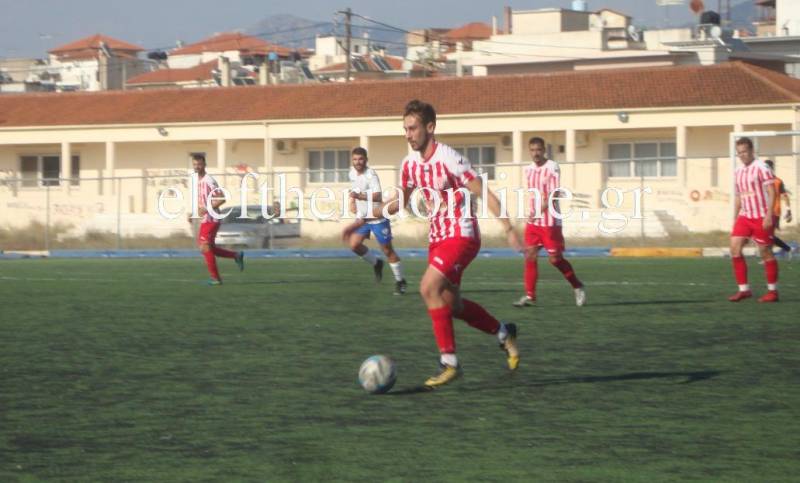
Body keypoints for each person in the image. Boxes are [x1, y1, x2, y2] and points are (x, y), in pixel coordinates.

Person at [345, 99, 521, 388]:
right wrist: (364, 218)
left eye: (413, 128)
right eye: (405, 129)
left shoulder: (450, 158)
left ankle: (449, 362)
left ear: (430, 127)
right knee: (452, 304)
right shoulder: (409, 164)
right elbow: (398, 203)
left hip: (462, 234)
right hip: (438, 239)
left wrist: (509, 228)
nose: (408, 134)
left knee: (428, 287)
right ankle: (504, 333)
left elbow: (483, 191)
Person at [513, 137, 586, 308]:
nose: (535, 153)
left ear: (544, 150)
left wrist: (539, 211)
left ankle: (577, 286)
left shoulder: (552, 167)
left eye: (538, 150)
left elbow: (554, 194)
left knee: (555, 259)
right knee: (530, 256)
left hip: (550, 222)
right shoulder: (528, 170)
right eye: (532, 150)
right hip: (534, 223)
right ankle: (530, 296)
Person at [342, 147, 408, 295]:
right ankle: (377, 263)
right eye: (355, 159)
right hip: (362, 218)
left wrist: (359, 197)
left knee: (387, 250)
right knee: (354, 245)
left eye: (360, 159)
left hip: (377, 217)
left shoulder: (371, 175)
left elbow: (378, 196)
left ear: (366, 159)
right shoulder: (352, 173)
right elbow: (354, 190)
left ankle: (400, 281)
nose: (358, 162)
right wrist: (352, 201)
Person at [728, 137, 779, 302]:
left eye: (744, 151)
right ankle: (744, 290)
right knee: (734, 248)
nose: (742, 155)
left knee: (765, 252)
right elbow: (739, 196)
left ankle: (772, 292)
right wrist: (735, 218)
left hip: (761, 216)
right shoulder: (738, 171)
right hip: (745, 216)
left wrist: (769, 215)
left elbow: (772, 192)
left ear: (751, 151)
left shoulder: (762, 167)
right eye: (739, 152)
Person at [191, 154, 244, 285]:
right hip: (207, 218)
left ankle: (215, 279)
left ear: (204, 165)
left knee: (204, 247)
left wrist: (206, 209)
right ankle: (236, 255)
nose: (197, 167)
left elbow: (221, 198)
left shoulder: (209, 180)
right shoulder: (198, 180)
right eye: (195, 164)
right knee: (208, 248)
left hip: (212, 218)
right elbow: (204, 202)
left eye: (199, 164)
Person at [764, 160, 793, 256]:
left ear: (771, 169)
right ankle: (787, 249)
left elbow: (785, 196)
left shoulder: (778, 181)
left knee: (769, 235)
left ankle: (770, 256)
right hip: (764, 212)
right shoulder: (762, 181)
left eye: (767, 168)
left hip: (774, 212)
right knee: (767, 235)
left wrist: (788, 210)